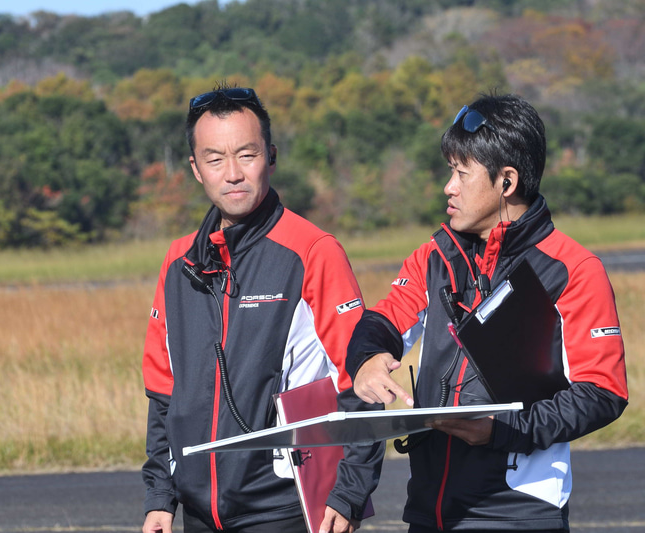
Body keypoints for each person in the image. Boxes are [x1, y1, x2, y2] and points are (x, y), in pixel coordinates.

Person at [346, 93, 628, 532]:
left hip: (516, 512)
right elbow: (384, 321)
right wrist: (366, 357)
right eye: (449, 172)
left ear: (507, 181)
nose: (448, 187)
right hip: (428, 510)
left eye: (461, 173)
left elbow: (602, 394)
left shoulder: (572, 269)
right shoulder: (434, 256)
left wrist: (500, 430)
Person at [141, 85, 383, 533]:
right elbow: (163, 395)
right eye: (214, 159)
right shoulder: (179, 264)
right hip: (198, 513)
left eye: (246, 155)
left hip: (286, 510)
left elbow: (362, 385)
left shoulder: (313, 252)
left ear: (271, 157)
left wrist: (349, 494)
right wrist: (161, 496)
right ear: (195, 169)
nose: (232, 173)